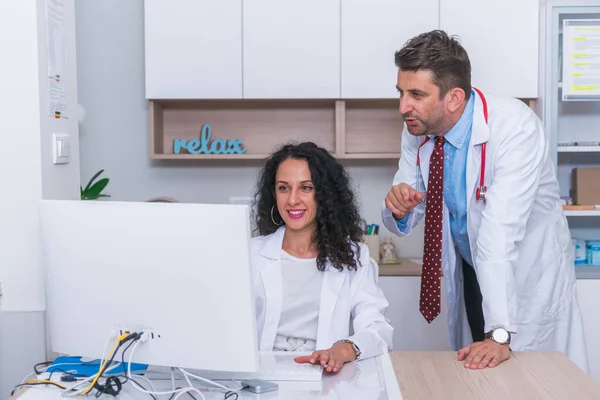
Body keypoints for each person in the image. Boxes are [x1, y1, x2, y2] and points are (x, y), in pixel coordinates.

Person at [381, 30, 588, 372]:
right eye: (401, 93)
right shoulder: (417, 130)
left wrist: (501, 334)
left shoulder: (515, 128)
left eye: (416, 94)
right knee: (480, 377)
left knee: (540, 381)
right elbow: (411, 202)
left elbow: (499, 231)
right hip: (472, 273)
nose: (404, 107)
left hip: (526, 277)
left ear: (454, 97)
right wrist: (399, 207)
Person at [251, 141, 393, 374]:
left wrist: (344, 349)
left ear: (324, 195)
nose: (293, 200)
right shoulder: (251, 253)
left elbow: (378, 328)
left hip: (326, 378)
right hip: (261, 381)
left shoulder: (354, 257)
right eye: (283, 188)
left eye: (306, 188)